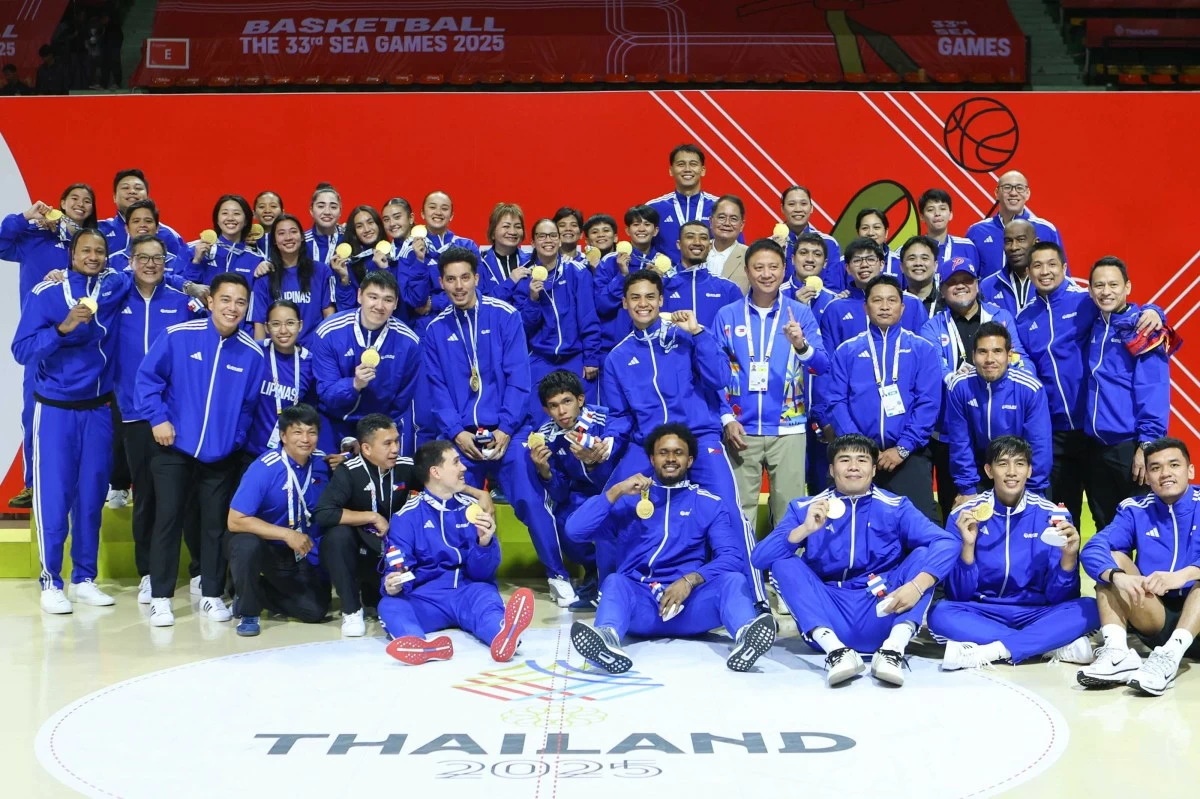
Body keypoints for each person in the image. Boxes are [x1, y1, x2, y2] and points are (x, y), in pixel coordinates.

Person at [422, 246, 579, 606]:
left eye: (465, 277)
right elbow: (438, 389)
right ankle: (465, 582)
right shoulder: (435, 330)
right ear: (442, 283)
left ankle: (557, 574)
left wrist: (506, 429)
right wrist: (458, 434)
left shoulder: (505, 316)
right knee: (458, 506)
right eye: (451, 279)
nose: (459, 286)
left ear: (477, 278)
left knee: (528, 498)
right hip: (460, 435)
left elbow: (518, 379)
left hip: (510, 430)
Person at [601, 269, 766, 609]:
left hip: (698, 438)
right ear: (624, 303)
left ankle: (755, 596)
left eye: (650, 297)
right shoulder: (617, 357)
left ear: (661, 301)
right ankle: (615, 592)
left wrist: (698, 332)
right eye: (635, 297)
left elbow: (720, 377)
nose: (643, 304)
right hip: (647, 445)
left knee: (730, 509)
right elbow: (618, 417)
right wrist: (605, 445)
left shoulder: (685, 336)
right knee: (611, 503)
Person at [751, 434, 959, 686]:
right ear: (831, 469)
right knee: (784, 562)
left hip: (883, 609)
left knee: (924, 555)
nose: (853, 466)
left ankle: (893, 650)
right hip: (829, 615)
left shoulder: (896, 506)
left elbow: (948, 542)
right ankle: (837, 653)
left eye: (862, 460)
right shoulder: (805, 507)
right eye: (844, 459)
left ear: (873, 469)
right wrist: (803, 530)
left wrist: (916, 586)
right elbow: (760, 559)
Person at [567, 424, 776, 674]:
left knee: (732, 580)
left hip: (692, 608)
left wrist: (689, 581)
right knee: (615, 582)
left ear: (690, 461)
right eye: (663, 452)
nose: (670, 459)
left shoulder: (709, 503)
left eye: (678, 453)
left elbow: (731, 557)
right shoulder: (629, 502)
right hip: (642, 608)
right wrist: (615, 491)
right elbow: (575, 531)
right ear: (652, 458)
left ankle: (745, 636)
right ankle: (607, 639)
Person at [135, 272, 265, 627]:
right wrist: (157, 418)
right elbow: (147, 379)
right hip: (172, 448)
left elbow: (249, 407)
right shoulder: (179, 336)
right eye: (226, 299)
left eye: (241, 302)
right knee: (168, 520)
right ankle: (161, 596)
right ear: (210, 301)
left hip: (219, 457)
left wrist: (234, 441)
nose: (233, 308)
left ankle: (211, 594)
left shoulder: (253, 355)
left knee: (213, 527)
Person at [12, 230, 127, 612]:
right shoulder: (46, 293)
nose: (93, 256)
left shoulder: (112, 286)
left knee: (91, 497)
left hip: (97, 410)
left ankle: (84, 578)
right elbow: (21, 349)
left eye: (99, 251)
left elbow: (149, 269)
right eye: (85, 251)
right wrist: (61, 329)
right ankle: (50, 581)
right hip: (55, 410)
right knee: (54, 496)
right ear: (71, 255)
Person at [1017, 242, 1162, 530]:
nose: (1045, 272)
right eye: (1037, 266)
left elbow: (1132, 313)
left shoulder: (1084, 303)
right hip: (1057, 436)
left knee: (1134, 522)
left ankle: (1142, 576)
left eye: (1052, 264)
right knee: (1068, 522)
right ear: (1028, 271)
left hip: (1104, 437)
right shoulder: (1024, 319)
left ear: (1064, 268)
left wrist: (1156, 312)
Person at [312, 414, 498, 636]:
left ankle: (498, 630)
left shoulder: (403, 466)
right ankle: (352, 611)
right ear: (367, 448)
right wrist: (370, 517)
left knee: (392, 596)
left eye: (397, 441)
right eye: (387, 443)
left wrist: (478, 493)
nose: (395, 449)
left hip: (398, 551)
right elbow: (323, 513)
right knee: (337, 537)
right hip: (366, 551)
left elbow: (438, 479)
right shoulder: (348, 471)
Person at [930, 436, 1099, 670]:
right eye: (1002, 464)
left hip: (1037, 612)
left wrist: (1069, 558)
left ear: (1029, 471)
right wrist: (967, 547)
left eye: (1019, 464)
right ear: (989, 470)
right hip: (983, 612)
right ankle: (1049, 645)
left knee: (1090, 607)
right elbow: (958, 595)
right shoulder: (964, 516)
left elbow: (1060, 597)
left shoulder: (1052, 516)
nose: (1011, 472)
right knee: (940, 613)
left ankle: (995, 650)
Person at [379, 440, 536, 666]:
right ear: (436, 472)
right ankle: (419, 643)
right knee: (390, 604)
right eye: (456, 462)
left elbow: (483, 574)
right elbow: (398, 567)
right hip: (427, 598)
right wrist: (392, 583)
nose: (463, 468)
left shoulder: (471, 509)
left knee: (485, 598)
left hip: (467, 591)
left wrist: (485, 543)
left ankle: (503, 635)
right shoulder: (407, 517)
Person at [115, 234, 205, 603]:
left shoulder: (181, 302)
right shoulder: (115, 298)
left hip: (176, 416)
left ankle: (200, 571)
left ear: (167, 262)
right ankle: (149, 572)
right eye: (143, 257)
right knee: (147, 495)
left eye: (157, 258)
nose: (151, 264)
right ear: (131, 261)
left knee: (188, 495)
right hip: (134, 415)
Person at [715, 238, 828, 530]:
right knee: (741, 512)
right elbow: (712, 375)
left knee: (791, 511)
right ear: (748, 271)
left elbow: (821, 366)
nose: (766, 274)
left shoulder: (800, 314)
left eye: (773, 267)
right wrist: (727, 418)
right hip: (741, 429)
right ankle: (744, 573)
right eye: (759, 267)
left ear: (784, 269)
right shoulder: (727, 315)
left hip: (789, 428)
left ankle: (785, 574)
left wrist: (801, 344)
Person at [1078, 438, 1200, 695]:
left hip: (1195, 624)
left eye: (1174, 465)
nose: (1165, 473)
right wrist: (1117, 576)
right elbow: (1093, 549)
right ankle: (1117, 653)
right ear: (1147, 474)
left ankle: (1171, 655)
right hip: (1156, 618)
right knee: (1111, 562)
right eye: (1155, 468)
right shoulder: (1134, 509)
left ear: (1190, 470)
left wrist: (1185, 575)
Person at [1, 186, 96, 509]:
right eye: (74, 199)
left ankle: (92, 485)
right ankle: (34, 483)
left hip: (87, 342)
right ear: (60, 204)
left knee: (92, 417)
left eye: (87, 201)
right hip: (44, 340)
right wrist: (25, 217)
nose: (80, 205)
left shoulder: (94, 245)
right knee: (34, 413)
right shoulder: (34, 237)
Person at [823, 276, 942, 520]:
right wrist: (861, 449)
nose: (885, 306)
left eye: (892, 300)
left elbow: (928, 403)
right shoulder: (848, 350)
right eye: (877, 300)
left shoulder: (922, 349)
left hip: (909, 455)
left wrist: (903, 448)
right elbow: (836, 402)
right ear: (866, 308)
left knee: (918, 528)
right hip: (859, 457)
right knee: (856, 525)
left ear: (903, 307)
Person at [920, 258, 1026, 518]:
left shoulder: (1000, 318)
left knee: (1008, 511)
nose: (960, 286)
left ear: (977, 285)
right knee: (958, 511)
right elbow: (936, 370)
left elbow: (1019, 359)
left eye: (966, 280)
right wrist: (965, 380)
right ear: (942, 289)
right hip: (952, 435)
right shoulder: (932, 326)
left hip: (1002, 429)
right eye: (952, 282)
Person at [226, 404, 332, 636]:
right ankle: (249, 611)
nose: (305, 439)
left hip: (301, 551)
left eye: (311, 432)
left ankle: (251, 589)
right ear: (283, 436)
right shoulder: (264, 468)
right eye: (297, 432)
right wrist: (286, 534)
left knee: (316, 611)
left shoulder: (322, 465)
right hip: (267, 548)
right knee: (245, 543)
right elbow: (235, 520)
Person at [1084, 256, 1172, 530]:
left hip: (1130, 447)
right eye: (1099, 285)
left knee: (1142, 528)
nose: (1105, 291)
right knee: (1105, 527)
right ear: (1089, 290)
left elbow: (1154, 392)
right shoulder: (1094, 323)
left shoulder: (1143, 329)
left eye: (1113, 284)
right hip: (1095, 448)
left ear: (1128, 287)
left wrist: (1146, 445)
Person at [529, 370, 623, 606]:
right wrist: (545, 471)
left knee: (610, 516)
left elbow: (620, 470)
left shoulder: (605, 420)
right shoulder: (545, 436)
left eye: (567, 402)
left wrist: (592, 463)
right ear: (545, 410)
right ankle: (593, 570)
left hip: (616, 488)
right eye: (553, 405)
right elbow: (560, 492)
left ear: (580, 400)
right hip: (580, 495)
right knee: (563, 517)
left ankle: (613, 578)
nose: (561, 412)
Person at [309, 270, 420, 449]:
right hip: (332, 421)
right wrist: (354, 385)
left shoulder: (409, 343)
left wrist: (373, 436)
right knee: (324, 473)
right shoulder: (329, 332)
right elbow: (326, 392)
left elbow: (402, 401)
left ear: (396, 303)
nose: (379, 305)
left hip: (378, 429)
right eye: (373, 297)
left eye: (388, 299)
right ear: (360, 295)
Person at [944, 323, 1050, 504]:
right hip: (978, 473)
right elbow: (960, 442)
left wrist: (1032, 491)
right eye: (983, 352)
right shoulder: (959, 386)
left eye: (997, 351)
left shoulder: (1030, 388)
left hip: (1019, 473)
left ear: (1009, 356)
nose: (989, 359)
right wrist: (967, 489)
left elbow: (1039, 445)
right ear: (973, 356)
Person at [518, 218, 602, 416]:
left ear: (559, 240)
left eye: (553, 235)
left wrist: (591, 357)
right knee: (540, 420)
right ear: (532, 243)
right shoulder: (523, 277)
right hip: (540, 358)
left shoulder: (577, 272)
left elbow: (588, 317)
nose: (548, 240)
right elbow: (523, 329)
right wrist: (532, 299)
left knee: (582, 421)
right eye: (542, 236)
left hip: (575, 358)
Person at [819, 238, 926, 348]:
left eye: (870, 259)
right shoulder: (835, 308)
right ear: (848, 268)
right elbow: (830, 358)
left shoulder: (912, 303)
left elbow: (926, 351)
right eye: (857, 260)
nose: (864, 265)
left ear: (881, 264)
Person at [245, 300, 317, 456]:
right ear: (267, 327)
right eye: (276, 324)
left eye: (290, 323)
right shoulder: (254, 353)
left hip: (287, 453)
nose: (283, 330)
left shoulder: (310, 362)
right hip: (246, 451)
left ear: (300, 325)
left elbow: (310, 410)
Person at [252, 214, 336, 347]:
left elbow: (329, 316)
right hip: (277, 357)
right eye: (281, 233)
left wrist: (327, 351)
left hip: (314, 355)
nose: (288, 237)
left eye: (293, 232)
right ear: (274, 240)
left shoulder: (321, 271)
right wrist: (261, 361)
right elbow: (260, 324)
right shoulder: (264, 277)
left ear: (302, 237)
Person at [592, 205, 663, 358]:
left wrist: (661, 282)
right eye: (636, 224)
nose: (642, 229)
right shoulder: (610, 261)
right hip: (615, 346)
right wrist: (622, 276)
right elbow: (601, 305)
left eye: (647, 224)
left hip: (655, 346)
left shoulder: (664, 265)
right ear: (627, 231)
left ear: (655, 230)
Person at [966, 171, 1065, 279]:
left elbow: (1062, 276)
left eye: (1019, 188)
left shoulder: (1046, 230)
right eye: (1007, 187)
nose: (1013, 193)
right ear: (996, 193)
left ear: (1027, 193)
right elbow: (968, 276)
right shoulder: (977, 231)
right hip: (988, 295)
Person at [647, 144, 719, 262]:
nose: (687, 169)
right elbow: (642, 248)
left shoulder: (718, 207)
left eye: (693, 164)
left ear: (703, 170)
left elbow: (735, 249)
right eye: (681, 164)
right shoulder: (653, 208)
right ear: (671, 170)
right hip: (666, 278)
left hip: (708, 278)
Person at [662, 221, 741, 327]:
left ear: (709, 246)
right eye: (690, 237)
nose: (697, 242)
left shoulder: (728, 288)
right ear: (679, 244)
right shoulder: (662, 285)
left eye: (703, 238)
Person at [98, 169, 187, 258]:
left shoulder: (168, 235)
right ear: (114, 197)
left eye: (138, 188)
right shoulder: (99, 230)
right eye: (125, 188)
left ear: (147, 197)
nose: (132, 191)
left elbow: (181, 267)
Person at [186, 194, 265, 289]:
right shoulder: (193, 249)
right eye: (224, 213)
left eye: (236, 213)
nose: (230, 218)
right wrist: (196, 261)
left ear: (246, 221)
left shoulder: (256, 259)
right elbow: (182, 290)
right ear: (217, 219)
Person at [824, 209, 903, 293]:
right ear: (858, 233)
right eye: (865, 228)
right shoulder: (842, 263)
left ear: (886, 232)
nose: (871, 233)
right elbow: (831, 293)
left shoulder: (900, 263)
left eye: (876, 227)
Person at [775, 185, 840, 283]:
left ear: (811, 208)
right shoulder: (770, 245)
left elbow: (833, 285)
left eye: (803, 203)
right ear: (782, 208)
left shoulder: (828, 243)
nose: (798, 209)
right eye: (791, 204)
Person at [107, 200, 183, 278]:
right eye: (136, 221)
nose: (142, 225)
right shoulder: (111, 262)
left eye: (148, 221)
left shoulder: (175, 263)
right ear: (127, 228)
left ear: (157, 228)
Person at [979, 219, 1037, 318]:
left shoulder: (1050, 282)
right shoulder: (988, 286)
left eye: (1021, 240)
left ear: (1036, 243)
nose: (1014, 247)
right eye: (1008, 241)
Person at [478, 202, 533, 303]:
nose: (512, 232)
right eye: (506, 226)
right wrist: (511, 281)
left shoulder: (532, 262)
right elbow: (480, 304)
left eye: (518, 226)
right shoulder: (480, 264)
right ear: (493, 232)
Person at [918, 189, 979, 275]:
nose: (937, 213)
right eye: (930, 210)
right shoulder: (910, 250)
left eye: (942, 209)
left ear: (950, 214)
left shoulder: (967, 247)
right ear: (922, 217)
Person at [706, 194, 748, 289]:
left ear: (741, 225)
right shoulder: (697, 251)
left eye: (733, 219)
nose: (727, 223)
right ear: (711, 221)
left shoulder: (749, 256)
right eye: (721, 217)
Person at [899, 234, 941, 317]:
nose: (918, 263)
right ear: (902, 267)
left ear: (935, 265)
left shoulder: (947, 302)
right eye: (912, 258)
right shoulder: (895, 303)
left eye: (924, 258)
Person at [305, 183, 344, 265]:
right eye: (321, 206)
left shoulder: (349, 238)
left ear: (340, 211)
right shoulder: (301, 242)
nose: (327, 212)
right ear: (311, 210)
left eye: (333, 207)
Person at [251, 190, 284, 260]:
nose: (267, 210)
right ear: (254, 214)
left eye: (273, 206)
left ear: (282, 213)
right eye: (261, 207)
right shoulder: (245, 238)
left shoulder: (289, 238)